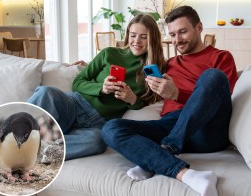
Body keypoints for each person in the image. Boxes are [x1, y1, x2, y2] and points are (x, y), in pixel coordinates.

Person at [101, 5, 238, 196]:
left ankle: (166, 150)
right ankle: (178, 169)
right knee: (111, 128)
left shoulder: (221, 57)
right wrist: (86, 65)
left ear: (199, 27)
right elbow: (136, 58)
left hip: (206, 129)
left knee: (213, 76)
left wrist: (177, 94)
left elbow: (220, 98)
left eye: (182, 32)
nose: (177, 40)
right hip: (170, 125)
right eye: (172, 34)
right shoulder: (169, 64)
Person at [27, 14, 166, 160]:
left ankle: (42, 152)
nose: (137, 41)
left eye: (144, 37)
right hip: (74, 105)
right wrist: (101, 88)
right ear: (127, 35)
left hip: (98, 123)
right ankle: (15, 137)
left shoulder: (156, 70)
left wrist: (132, 99)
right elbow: (78, 82)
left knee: (97, 141)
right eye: (133, 35)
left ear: (153, 39)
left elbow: (148, 101)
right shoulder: (109, 54)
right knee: (46, 92)